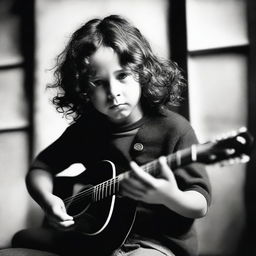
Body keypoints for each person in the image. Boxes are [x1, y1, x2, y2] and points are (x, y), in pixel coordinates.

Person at [12, 15, 211, 256]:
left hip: (154, 243)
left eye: (123, 76)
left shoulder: (175, 129)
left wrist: (170, 197)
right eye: (98, 82)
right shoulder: (87, 130)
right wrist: (48, 200)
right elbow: (40, 168)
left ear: (142, 72)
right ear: (83, 89)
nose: (114, 92)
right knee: (20, 239)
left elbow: (199, 204)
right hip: (93, 235)